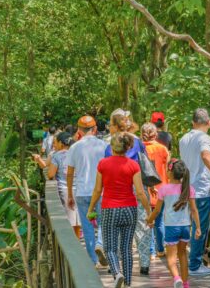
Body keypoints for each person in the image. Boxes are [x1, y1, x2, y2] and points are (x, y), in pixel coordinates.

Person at [88, 132, 151, 288]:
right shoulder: (133, 165)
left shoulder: (103, 164)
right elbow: (140, 192)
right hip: (130, 209)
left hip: (110, 209)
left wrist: (90, 208)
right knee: (126, 248)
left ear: (112, 148)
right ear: (127, 147)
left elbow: (97, 190)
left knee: (110, 248)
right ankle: (128, 283)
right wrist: (150, 212)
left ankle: (117, 274)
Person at [179, 108, 210, 276]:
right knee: (199, 228)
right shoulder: (205, 138)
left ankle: (188, 262)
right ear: (209, 123)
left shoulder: (184, 138)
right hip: (200, 190)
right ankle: (194, 266)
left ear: (193, 122)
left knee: (190, 227)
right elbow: (206, 156)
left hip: (185, 189)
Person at [105, 112, 152, 275]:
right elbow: (145, 162)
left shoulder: (109, 143)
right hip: (137, 183)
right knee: (142, 223)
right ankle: (144, 262)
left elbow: (105, 165)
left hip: (115, 188)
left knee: (115, 225)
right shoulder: (137, 141)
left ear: (114, 126)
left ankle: (116, 264)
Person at [147, 159, 201, 288]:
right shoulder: (189, 189)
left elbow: (158, 210)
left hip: (171, 227)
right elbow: (194, 210)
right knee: (182, 255)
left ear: (170, 172)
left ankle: (177, 279)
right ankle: (186, 283)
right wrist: (198, 227)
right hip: (185, 227)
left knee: (171, 258)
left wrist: (150, 219)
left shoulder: (164, 189)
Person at [66, 116, 107, 267]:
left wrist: (70, 193)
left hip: (82, 192)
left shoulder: (74, 147)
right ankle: (101, 244)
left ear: (79, 130)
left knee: (87, 225)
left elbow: (69, 173)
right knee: (103, 223)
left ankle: (93, 261)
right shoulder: (103, 145)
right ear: (95, 129)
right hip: (101, 191)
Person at [141, 122, 169, 258]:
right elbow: (168, 169)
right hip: (161, 189)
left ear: (142, 134)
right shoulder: (162, 149)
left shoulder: (138, 149)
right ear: (155, 134)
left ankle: (150, 251)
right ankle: (160, 249)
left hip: (143, 188)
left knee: (147, 220)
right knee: (159, 221)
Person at [47, 132, 81, 237]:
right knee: (77, 219)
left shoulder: (57, 155)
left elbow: (50, 174)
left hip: (65, 189)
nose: (55, 145)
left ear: (61, 143)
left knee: (69, 218)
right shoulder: (77, 152)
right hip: (79, 188)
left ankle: (71, 244)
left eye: (56, 143)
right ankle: (77, 241)